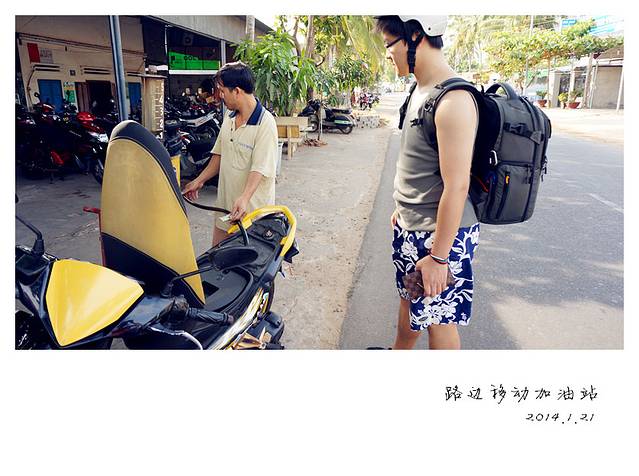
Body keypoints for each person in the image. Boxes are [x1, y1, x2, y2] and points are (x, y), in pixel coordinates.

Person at [375, 16, 480, 350]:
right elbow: (419, 162)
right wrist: (404, 207)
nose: (387, 53)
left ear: (415, 36)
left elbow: (457, 186)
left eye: (389, 44)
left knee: (440, 323)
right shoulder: (420, 90)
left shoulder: (453, 101)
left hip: (439, 237)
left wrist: (439, 258)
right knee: (410, 305)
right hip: (412, 227)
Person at [182, 62, 279, 246]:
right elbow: (219, 154)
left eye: (222, 91)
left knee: (245, 260)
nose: (220, 96)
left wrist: (244, 198)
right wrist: (199, 180)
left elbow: (259, 168)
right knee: (216, 255)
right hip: (225, 207)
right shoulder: (229, 117)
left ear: (237, 91)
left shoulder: (265, 123)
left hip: (250, 213)